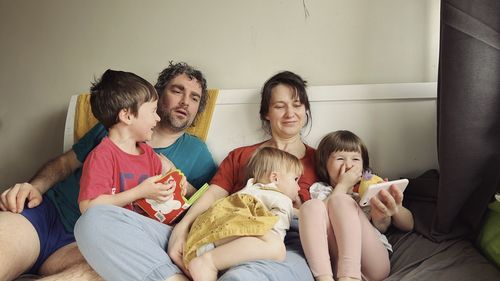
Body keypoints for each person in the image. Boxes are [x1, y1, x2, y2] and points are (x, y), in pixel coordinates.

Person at [75, 70, 318, 281]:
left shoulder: (325, 159)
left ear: (306, 109)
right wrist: (182, 229)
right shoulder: (240, 156)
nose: (290, 113)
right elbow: (212, 197)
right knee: (92, 221)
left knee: (242, 277)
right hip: (222, 231)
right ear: (266, 113)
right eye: (279, 106)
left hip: (283, 242)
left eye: (297, 105)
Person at [0, 62, 217, 281]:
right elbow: (65, 164)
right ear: (158, 95)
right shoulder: (110, 129)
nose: (185, 102)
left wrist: (181, 183)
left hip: (95, 244)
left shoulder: (197, 153)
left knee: (104, 271)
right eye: (177, 90)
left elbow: (211, 204)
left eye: (194, 98)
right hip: (48, 216)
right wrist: (33, 187)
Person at [299, 130, 414, 281]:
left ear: (363, 167)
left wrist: (394, 207)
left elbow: (407, 225)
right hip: (333, 264)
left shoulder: (369, 190)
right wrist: (342, 185)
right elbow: (319, 218)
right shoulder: (319, 190)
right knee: (310, 207)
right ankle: (324, 278)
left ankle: (350, 277)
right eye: (340, 158)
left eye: (355, 159)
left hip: (372, 262)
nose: (348, 165)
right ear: (324, 165)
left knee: (341, 201)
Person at [184, 147, 303, 281]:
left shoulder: (249, 190)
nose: (298, 187)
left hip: (202, 239)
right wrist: (300, 211)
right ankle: (209, 262)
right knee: (277, 248)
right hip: (228, 233)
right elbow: (277, 230)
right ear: (274, 178)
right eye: (295, 179)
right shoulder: (282, 198)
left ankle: (208, 262)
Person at [78, 69, 177, 214]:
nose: (158, 118)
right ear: (127, 116)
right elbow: (88, 208)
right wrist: (139, 192)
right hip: (113, 228)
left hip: (144, 227)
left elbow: (158, 194)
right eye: (153, 111)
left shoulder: (148, 154)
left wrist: (171, 187)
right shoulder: (102, 156)